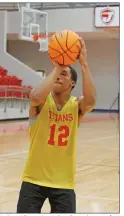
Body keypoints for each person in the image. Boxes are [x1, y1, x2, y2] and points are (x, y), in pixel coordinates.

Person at [17, 39, 96, 213]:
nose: (60, 76)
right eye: (59, 73)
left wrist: (84, 64)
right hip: (33, 180)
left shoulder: (76, 107)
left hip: (63, 183)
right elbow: (35, 96)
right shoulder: (42, 102)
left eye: (65, 74)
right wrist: (58, 66)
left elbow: (90, 102)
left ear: (72, 84)